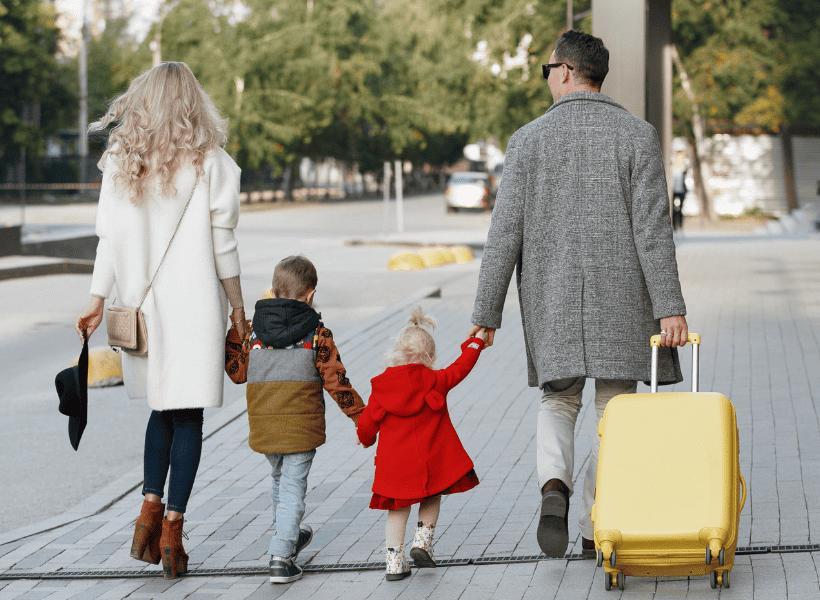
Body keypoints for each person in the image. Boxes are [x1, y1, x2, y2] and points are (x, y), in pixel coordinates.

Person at [467, 30, 689, 560]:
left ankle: (553, 487)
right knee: (616, 411)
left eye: (547, 68)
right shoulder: (638, 136)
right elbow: (654, 231)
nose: (546, 77)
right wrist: (670, 307)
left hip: (554, 299)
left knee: (558, 400)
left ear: (565, 71)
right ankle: (597, 520)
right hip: (623, 300)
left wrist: (486, 312)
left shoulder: (527, 140)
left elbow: (505, 235)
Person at [74, 62, 248, 580]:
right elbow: (224, 245)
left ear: (143, 101)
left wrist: (96, 298)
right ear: (194, 102)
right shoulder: (212, 163)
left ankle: (147, 512)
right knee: (188, 415)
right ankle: (172, 530)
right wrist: (238, 309)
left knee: (160, 411)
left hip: (144, 311)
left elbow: (109, 240)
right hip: (194, 308)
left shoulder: (122, 161)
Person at [246, 255, 365, 584]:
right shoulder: (318, 334)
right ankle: (282, 556)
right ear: (310, 294)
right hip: (300, 428)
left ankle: (289, 535)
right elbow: (336, 381)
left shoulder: (252, 333)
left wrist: (234, 330)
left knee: (280, 480)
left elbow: (236, 372)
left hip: (265, 425)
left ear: (272, 291)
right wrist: (361, 417)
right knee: (293, 486)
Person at [357, 308, 487, 581]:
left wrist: (367, 440)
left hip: (395, 467)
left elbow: (367, 424)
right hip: (430, 460)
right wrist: (476, 342)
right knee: (432, 495)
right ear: (429, 357)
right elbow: (461, 367)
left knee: (397, 510)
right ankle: (422, 543)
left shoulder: (381, 388)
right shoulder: (436, 380)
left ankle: (394, 563)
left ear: (396, 353)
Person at [671, 151, 688, 231]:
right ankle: (674, 227)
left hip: (681, 190)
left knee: (680, 209)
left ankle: (680, 226)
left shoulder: (684, 167)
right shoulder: (672, 167)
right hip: (673, 191)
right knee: (674, 209)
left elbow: (685, 174)